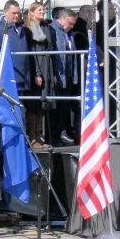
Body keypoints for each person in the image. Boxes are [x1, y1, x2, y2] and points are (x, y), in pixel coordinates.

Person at [24, 2, 53, 148]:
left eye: (43, 9)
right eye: (39, 10)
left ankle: (38, 134)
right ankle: (32, 137)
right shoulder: (27, 29)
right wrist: (37, 73)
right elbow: (32, 52)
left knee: (42, 103)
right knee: (33, 104)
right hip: (36, 67)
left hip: (46, 66)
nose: (43, 12)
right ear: (32, 12)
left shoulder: (45, 26)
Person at [49, 9, 79, 146]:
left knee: (64, 107)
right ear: (62, 18)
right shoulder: (52, 29)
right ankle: (54, 136)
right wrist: (54, 73)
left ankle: (62, 133)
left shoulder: (69, 33)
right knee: (56, 108)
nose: (71, 26)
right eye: (70, 23)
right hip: (58, 74)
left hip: (68, 74)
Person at [0, 0, 30, 94]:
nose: (16, 15)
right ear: (5, 12)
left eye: (18, 13)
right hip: (7, 76)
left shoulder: (21, 28)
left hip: (22, 75)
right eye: (13, 13)